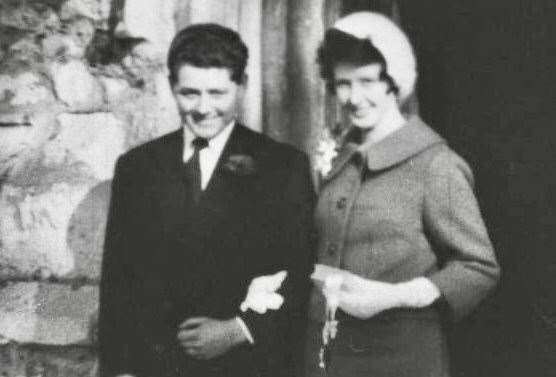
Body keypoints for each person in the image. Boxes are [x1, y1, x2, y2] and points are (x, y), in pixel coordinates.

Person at [99, 23, 315, 377]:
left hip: (245, 365)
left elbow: (301, 269)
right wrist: (121, 370)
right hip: (155, 366)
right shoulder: (137, 168)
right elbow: (118, 282)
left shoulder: (282, 167)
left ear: (242, 86)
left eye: (217, 93)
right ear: (171, 87)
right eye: (189, 93)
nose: (203, 108)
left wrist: (239, 329)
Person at [304, 12, 501, 377]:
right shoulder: (335, 155)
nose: (354, 97)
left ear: (395, 81)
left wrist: (392, 296)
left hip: (399, 358)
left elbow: (478, 268)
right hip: (326, 356)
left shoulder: (436, 164)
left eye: (367, 81)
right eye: (343, 83)